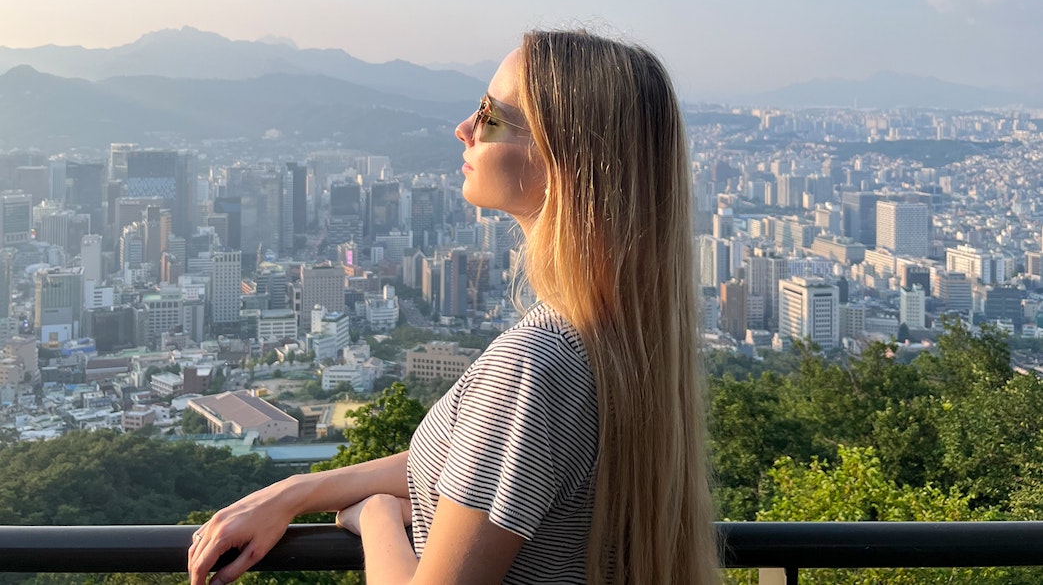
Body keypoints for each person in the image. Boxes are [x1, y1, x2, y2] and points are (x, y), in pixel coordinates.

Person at [188, 29, 719, 585]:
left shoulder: (536, 365)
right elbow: (472, 468)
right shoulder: (623, 339)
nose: (464, 128)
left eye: (491, 115)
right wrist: (297, 492)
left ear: (559, 155)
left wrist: (376, 518)